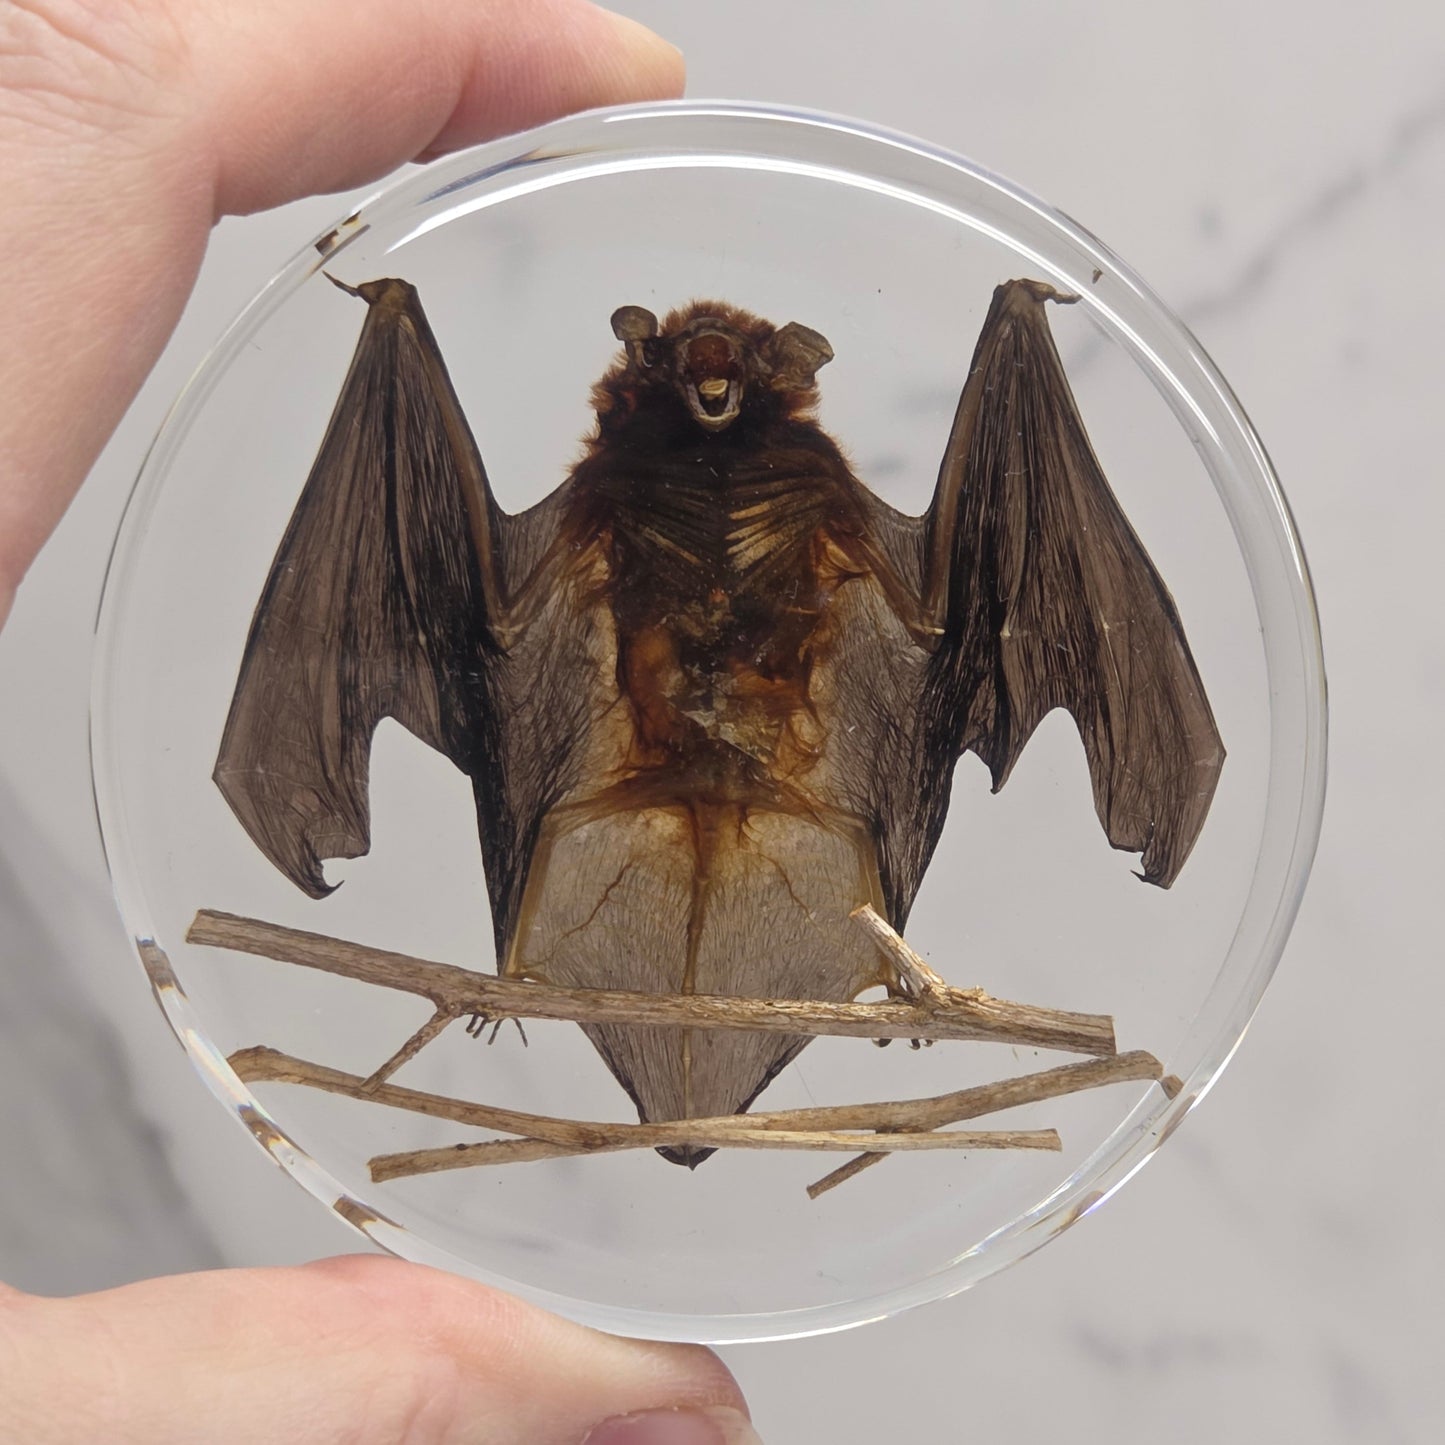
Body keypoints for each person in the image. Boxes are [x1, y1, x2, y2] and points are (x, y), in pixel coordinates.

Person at [0, 4, 762, 1441]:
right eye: (686, 371)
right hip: (590, 867)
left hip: (796, 891)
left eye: (738, 374)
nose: (712, 384)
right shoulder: (560, 543)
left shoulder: (837, 544)